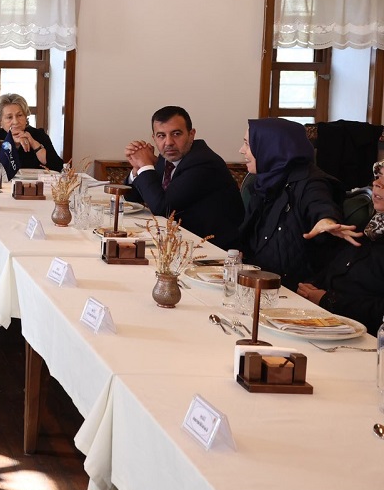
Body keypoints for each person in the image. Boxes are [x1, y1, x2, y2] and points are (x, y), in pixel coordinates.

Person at [238, 117, 361, 289]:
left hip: (293, 290)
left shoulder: (311, 181)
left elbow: (319, 202)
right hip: (259, 281)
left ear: (271, 146)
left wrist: (326, 219)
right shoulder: (265, 181)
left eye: (247, 144)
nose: (241, 150)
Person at [123, 106, 244, 249]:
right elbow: (131, 198)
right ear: (154, 138)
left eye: (176, 134)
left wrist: (145, 165)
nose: (168, 142)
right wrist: (138, 168)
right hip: (180, 241)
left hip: (213, 248)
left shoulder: (203, 162)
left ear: (191, 134)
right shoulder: (167, 158)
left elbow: (163, 208)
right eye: (161, 135)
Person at [297, 171, 384, 332]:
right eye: (378, 176)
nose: (377, 183)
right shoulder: (372, 225)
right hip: (330, 323)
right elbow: (336, 268)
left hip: (367, 337)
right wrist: (309, 288)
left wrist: (328, 300)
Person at [0, 93, 64, 174]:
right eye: (9, 117)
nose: (15, 121)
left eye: (19, 115)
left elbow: (59, 168)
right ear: (0, 121)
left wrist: (34, 144)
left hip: (35, 181)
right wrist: (11, 143)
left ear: (25, 117)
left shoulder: (39, 135)